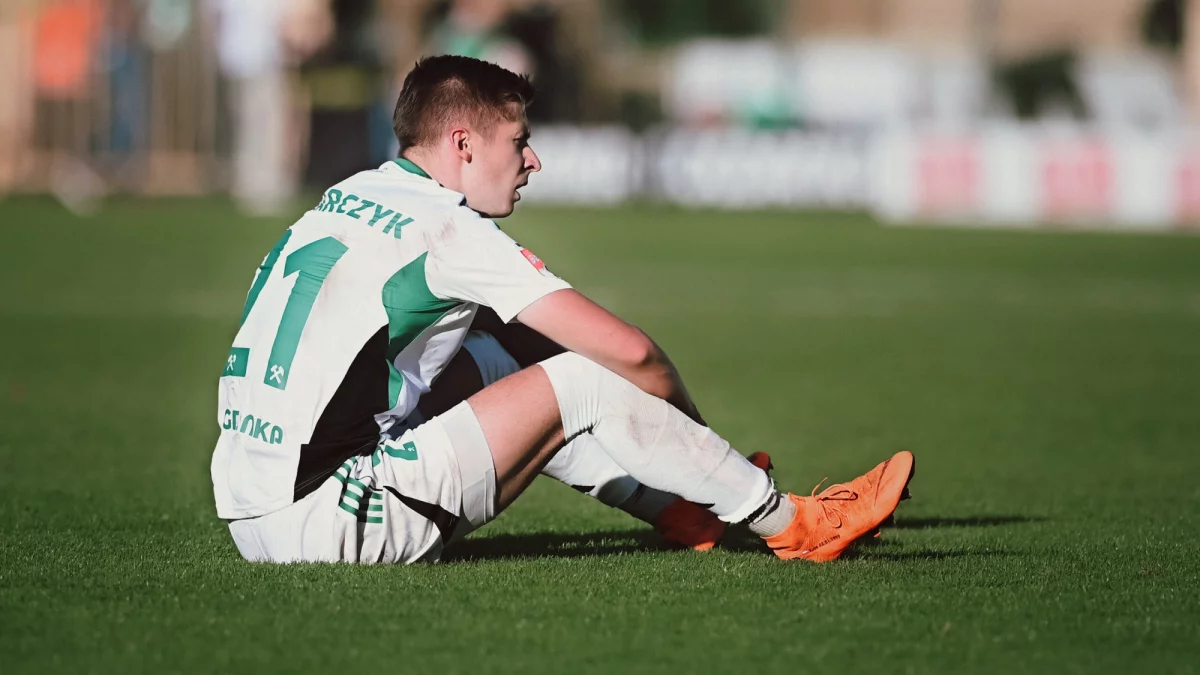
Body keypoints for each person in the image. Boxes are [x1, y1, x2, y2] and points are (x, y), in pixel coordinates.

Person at [211, 55, 914, 565]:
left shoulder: (348, 195)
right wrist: (698, 439)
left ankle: (680, 508)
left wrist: (685, 463)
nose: (533, 161)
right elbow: (632, 354)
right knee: (586, 375)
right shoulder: (450, 230)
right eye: (518, 141)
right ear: (463, 145)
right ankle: (791, 523)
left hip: (252, 512)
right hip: (333, 519)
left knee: (492, 356)